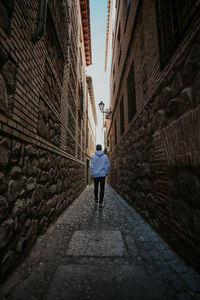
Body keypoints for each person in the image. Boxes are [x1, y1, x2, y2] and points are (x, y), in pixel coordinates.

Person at [90, 144, 110, 209]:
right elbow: (108, 166)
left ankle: (96, 201)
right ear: (101, 149)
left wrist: (91, 174)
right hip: (102, 175)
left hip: (95, 175)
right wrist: (106, 173)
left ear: (96, 149)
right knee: (102, 189)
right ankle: (101, 203)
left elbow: (92, 166)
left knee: (96, 188)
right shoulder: (105, 156)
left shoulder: (93, 157)